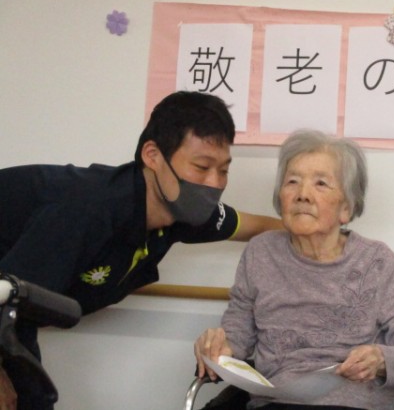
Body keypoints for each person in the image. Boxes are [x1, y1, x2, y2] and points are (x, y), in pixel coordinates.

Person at [0, 91, 282, 410]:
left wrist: (315, 229)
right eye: (202, 166)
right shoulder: (87, 210)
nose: (213, 183)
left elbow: (255, 226)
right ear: (152, 155)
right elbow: (7, 299)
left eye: (224, 170)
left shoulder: (182, 211)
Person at [195, 129, 394, 410]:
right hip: (277, 403)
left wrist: (381, 360)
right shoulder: (260, 254)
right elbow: (237, 336)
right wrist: (218, 346)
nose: (302, 195)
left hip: (354, 405)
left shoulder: (376, 262)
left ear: (346, 207)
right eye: (292, 182)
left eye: (321, 184)